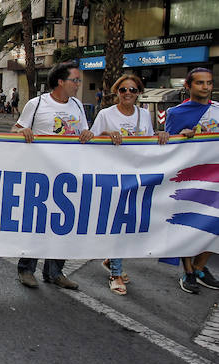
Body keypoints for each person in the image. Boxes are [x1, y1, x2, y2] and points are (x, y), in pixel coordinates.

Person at [12, 62, 93, 289]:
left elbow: (83, 133)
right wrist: (22, 131)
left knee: (63, 224)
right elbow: (14, 130)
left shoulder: (77, 105)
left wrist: (88, 133)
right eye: (75, 80)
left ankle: (55, 272)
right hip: (41, 174)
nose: (78, 85)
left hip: (69, 174)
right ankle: (26, 269)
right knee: (38, 223)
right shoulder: (37, 104)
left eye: (78, 81)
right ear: (60, 82)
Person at [90, 74, 169, 295]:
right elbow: (91, 140)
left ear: (138, 93)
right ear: (117, 92)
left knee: (130, 222)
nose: (127, 94)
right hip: (114, 176)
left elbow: (149, 139)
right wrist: (106, 133)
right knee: (119, 222)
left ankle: (111, 261)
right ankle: (115, 273)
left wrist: (161, 136)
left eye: (132, 90)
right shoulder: (106, 114)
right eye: (123, 90)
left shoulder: (144, 114)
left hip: (138, 175)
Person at [165, 67, 219, 294]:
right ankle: (188, 271)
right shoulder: (176, 113)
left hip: (215, 177)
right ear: (188, 86)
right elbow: (167, 147)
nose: (206, 87)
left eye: (209, 83)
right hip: (190, 177)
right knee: (188, 224)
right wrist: (182, 137)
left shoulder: (218, 110)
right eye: (200, 83)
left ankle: (200, 267)